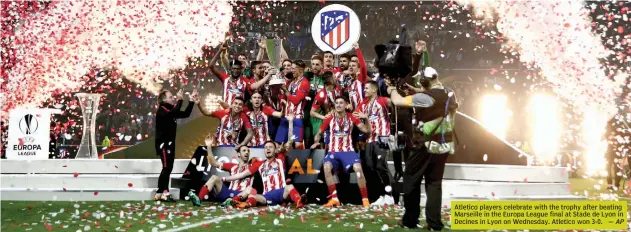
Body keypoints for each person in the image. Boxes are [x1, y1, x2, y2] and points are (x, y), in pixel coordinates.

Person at [386, 65, 458, 230]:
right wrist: (416, 90)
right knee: (434, 183)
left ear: (425, 81)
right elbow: (433, 95)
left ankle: (410, 220)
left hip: (426, 144)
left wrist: (391, 89)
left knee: (411, 179)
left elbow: (398, 101)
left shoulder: (426, 98)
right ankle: (434, 223)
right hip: (445, 144)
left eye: (420, 80)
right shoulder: (449, 92)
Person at [311, 96, 372, 208]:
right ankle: (334, 199)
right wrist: (316, 141)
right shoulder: (329, 119)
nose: (338, 105)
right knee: (326, 167)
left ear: (345, 105)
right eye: (336, 103)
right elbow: (318, 133)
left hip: (348, 151)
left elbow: (366, 130)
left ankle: (365, 200)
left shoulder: (352, 117)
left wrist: (366, 118)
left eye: (341, 103)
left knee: (358, 169)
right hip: (333, 152)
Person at [222, 140, 304, 208]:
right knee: (251, 194)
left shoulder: (280, 158)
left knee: (290, 187)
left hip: (282, 193)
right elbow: (241, 175)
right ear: (264, 151)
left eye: (270, 147)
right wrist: (224, 179)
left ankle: (299, 201)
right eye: (266, 147)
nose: (268, 149)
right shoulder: (259, 164)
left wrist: (290, 123)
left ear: (275, 150)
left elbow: (289, 143)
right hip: (267, 196)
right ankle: (238, 202)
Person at [354, 80, 395, 206]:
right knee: (370, 167)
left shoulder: (382, 100)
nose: (364, 90)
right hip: (369, 139)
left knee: (380, 166)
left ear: (374, 90)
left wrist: (393, 90)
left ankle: (390, 195)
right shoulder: (363, 105)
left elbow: (393, 103)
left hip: (382, 137)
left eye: (366, 88)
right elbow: (354, 116)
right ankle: (381, 195)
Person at [154, 89, 199, 201]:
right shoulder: (162, 109)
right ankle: (164, 192)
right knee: (166, 167)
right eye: (170, 97)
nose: (173, 98)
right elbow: (173, 112)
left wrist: (191, 101)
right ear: (163, 99)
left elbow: (185, 114)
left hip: (170, 143)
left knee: (168, 168)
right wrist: (180, 99)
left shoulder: (170, 109)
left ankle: (159, 192)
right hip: (164, 144)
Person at [193, 134, 255, 206]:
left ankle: (232, 202)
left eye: (248, 151)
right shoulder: (233, 166)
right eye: (244, 150)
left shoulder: (254, 166)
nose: (247, 152)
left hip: (241, 194)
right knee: (214, 177)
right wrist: (209, 146)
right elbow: (214, 163)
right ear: (238, 154)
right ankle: (198, 200)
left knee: (250, 189)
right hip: (228, 193)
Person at [276, 60, 310, 148]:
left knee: (297, 144)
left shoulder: (305, 83)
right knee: (278, 143)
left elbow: (296, 101)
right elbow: (283, 96)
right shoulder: (291, 81)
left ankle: (300, 161)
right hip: (286, 116)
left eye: (294, 68)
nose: (292, 70)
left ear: (301, 70)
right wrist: (282, 100)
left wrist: (285, 91)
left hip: (297, 118)